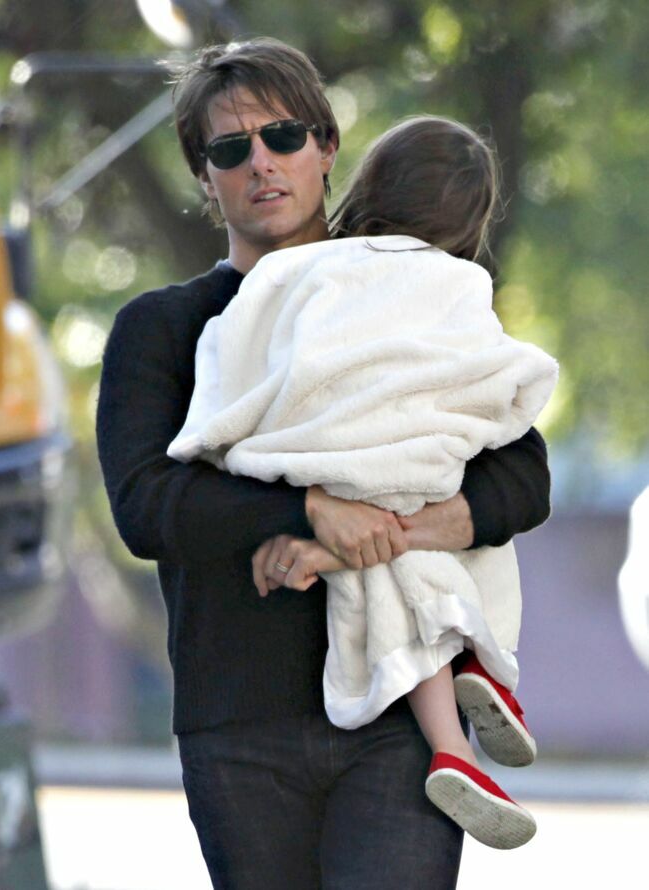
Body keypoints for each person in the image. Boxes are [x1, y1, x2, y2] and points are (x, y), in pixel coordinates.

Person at [97, 38, 552, 889]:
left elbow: (522, 474)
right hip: (240, 726)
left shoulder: (412, 289)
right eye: (230, 150)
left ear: (326, 146)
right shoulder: (161, 329)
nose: (260, 164)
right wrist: (306, 511)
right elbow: (146, 508)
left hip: (399, 723)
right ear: (204, 175)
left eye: (283, 137)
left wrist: (370, 534)